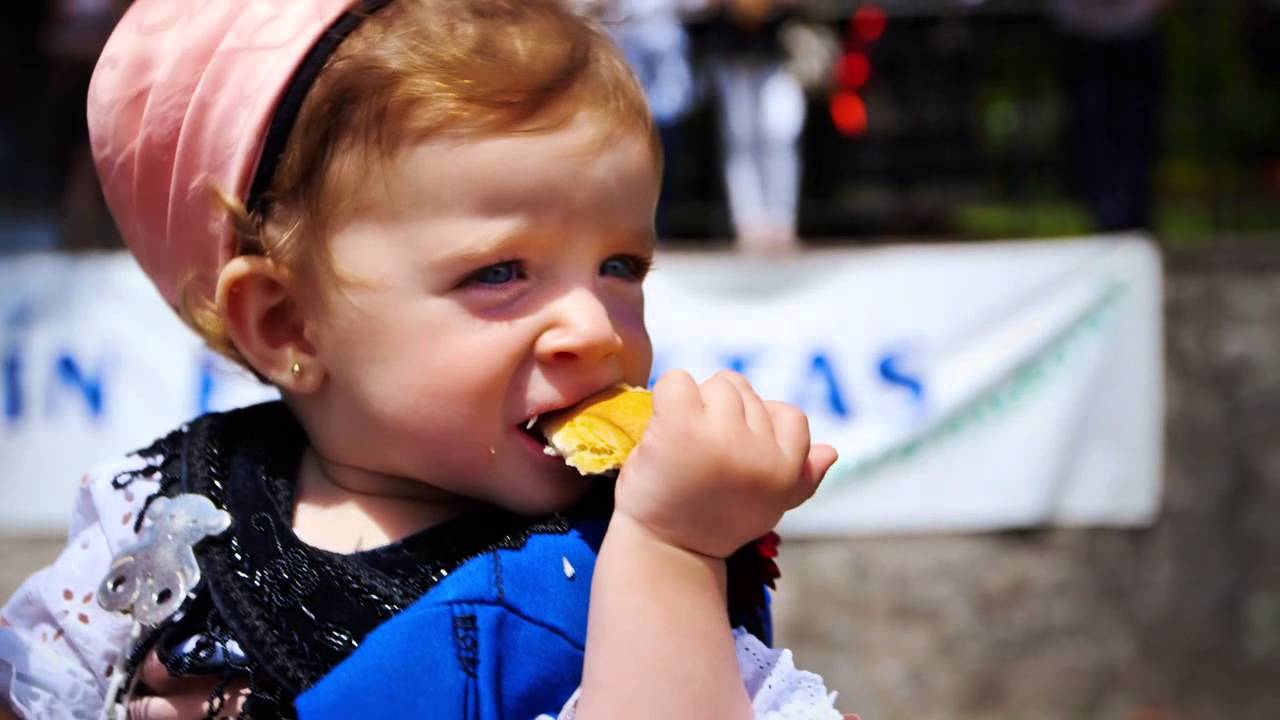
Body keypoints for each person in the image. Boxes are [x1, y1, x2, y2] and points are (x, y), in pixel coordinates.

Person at [0, 1, 846, 718]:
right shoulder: (163, 519)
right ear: (291, 325)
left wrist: (672, 554)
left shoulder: (624, 556)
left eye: (620, 265)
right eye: (501, 273)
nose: (594, 328)